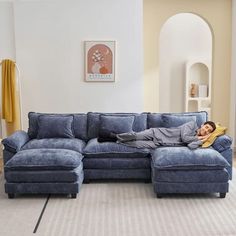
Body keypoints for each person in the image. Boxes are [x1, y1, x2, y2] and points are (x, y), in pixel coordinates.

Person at [114, 120, 216, 149]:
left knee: (136, 144)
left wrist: (201, 141)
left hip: (159, 144)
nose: (206, 131)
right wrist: (200, 137)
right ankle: (114, 136)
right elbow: (185, 139)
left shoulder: (196, 139)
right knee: (135, 136)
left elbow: (190, 145)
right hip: (156, 133)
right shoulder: (192, 124)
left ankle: (117, 141)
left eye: (209, 131)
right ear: (202, 125)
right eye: (206, 127)